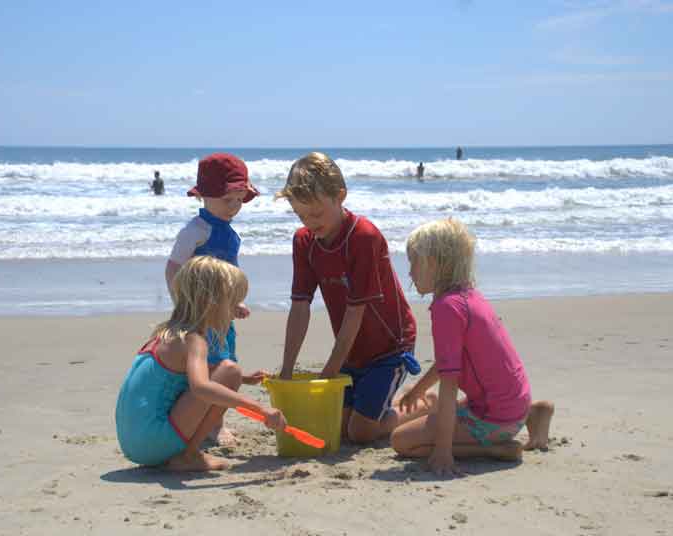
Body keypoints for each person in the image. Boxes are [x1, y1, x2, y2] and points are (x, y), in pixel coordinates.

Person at [390, 218, 555, 476]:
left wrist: (443, 450)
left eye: (414, 262)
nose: (409, 272)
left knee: (402, 441)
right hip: (513, 403)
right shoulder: (469, 295)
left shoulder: (447, 308)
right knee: (427, 406)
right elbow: (448, 362)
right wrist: (419, 390)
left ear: (434, 263)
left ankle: (496, 449)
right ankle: (533, 413)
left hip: (494, 418)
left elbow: (449, 383)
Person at [276, 152, 421, 444]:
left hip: (389, 348)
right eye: (301, 215)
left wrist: (329, 371)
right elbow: (300, 306)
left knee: (360, 432)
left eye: (316, 214)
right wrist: (287, 370)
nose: (309, 223)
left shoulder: (363, 237)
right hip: (352, 352)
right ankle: (386, 401)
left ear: (340, 196)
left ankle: (421, 404)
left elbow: (356, 311)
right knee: (338, 428)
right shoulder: (304, 241)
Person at [115, 256, 286, 471]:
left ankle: (181, 453)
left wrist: (243, 379)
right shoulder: (194, 340)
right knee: (230, 371)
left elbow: (179, 378)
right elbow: (201, 387)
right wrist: (260, 409)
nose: (237, 310)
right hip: (155, 441)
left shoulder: (167, 334)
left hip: (133, 443)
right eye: (233, 302)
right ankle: (189, 455)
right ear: (212, 303)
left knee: (231, 373)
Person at [165, 153, 261, 445]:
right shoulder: (195, 231)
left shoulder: (230, 234)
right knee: (206, 367)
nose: (234, 207)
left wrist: (234, 303)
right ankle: (212, 425)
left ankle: (214, 421)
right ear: (203, 196)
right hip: (198, 316)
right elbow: (174, 269)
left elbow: (229, 276)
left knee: (226, 363)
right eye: (227, 199)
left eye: (239, 200)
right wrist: (183, 306)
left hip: (222, 316)